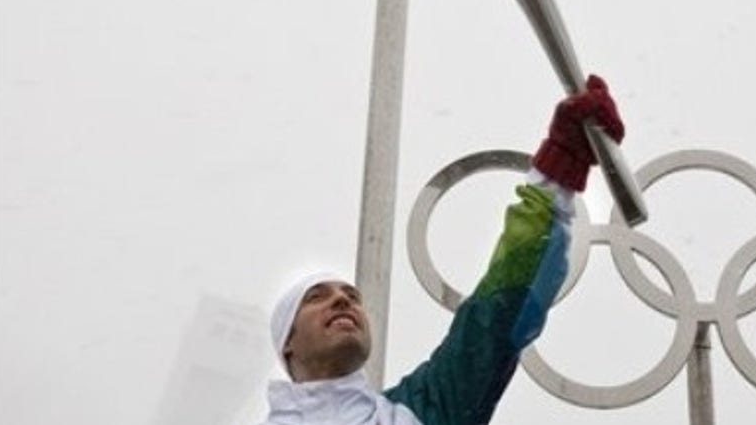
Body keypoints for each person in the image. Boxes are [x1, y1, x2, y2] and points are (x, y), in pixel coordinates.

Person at [260, 75, 625, 425]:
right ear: (286, 342)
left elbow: (492, 320)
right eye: (315, 297)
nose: (342, 301)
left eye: (351, 295)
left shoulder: (424, 410)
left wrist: (559, 168)